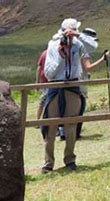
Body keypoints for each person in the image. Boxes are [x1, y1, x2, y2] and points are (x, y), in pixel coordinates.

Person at [42, 18, 86, 173]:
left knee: (71, 125)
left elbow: (93, 47)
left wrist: (77, 35)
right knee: (51, 126)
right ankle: (48, 163)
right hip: (56, 86)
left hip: (73, 85)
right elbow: (48, 73)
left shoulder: (78, 44)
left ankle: (70, 159)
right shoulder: (52, 45)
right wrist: (61, 57)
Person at [36, 49, 49, 120]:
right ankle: (38, 120)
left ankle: (39, 120)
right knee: (43, 101)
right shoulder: (45, 54)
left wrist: (37, 82)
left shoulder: (44, 53)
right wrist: (37, 82)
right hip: (47, 82)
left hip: (45, 81)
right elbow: (39, 68)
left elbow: (38, 68)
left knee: (43, 102)